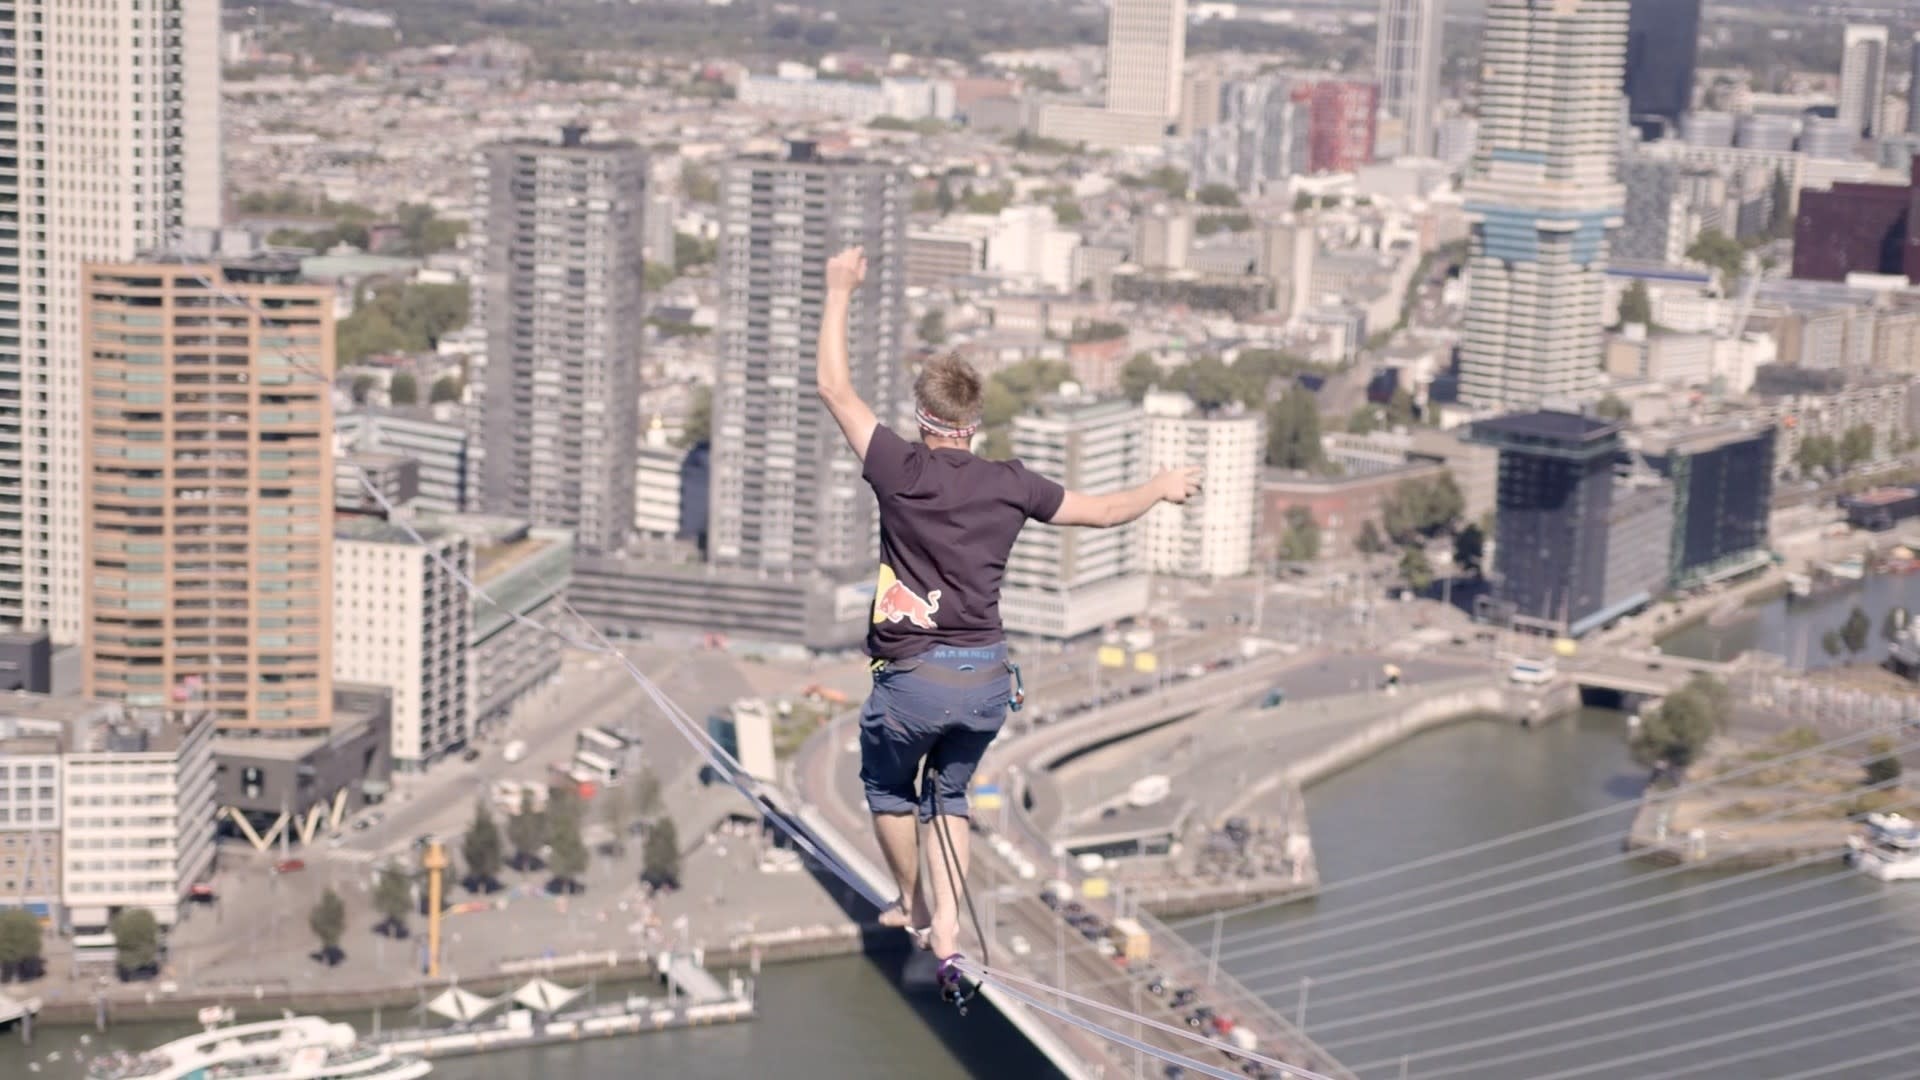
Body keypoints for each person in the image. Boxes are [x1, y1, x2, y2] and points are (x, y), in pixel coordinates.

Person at [814, 245, 1203, 972]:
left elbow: (835, 388)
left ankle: (915, 903)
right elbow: (1109, 510)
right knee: (950, 794)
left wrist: (840, 289)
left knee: (887, 787)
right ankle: (953, 929)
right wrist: (1162, 485)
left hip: (914, 680)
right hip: (986, 679)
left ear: (923, 417)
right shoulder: (1013, 484)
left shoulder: (901, 468)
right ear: (974, 422)